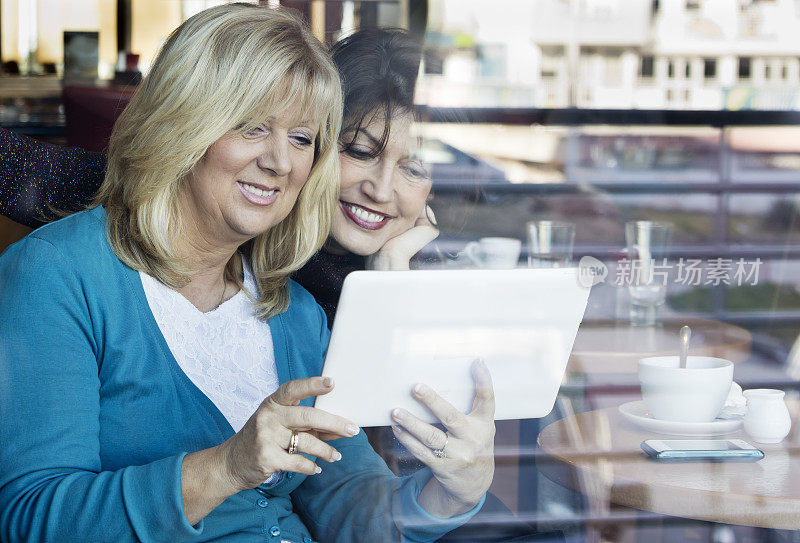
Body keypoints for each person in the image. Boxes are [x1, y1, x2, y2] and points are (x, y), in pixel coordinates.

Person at [0, 5, 498, 542]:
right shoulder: (59, 274)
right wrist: (225, 467)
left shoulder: (295, 312)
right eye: (252, 126)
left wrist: (450, 494)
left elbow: (351, 503)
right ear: (183, 120)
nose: (280, 162)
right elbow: (31, 519)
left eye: (303, 139)